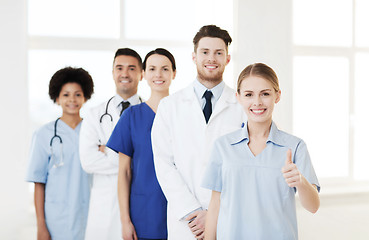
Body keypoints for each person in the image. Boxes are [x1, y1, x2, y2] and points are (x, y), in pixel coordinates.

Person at [202, 63, 321, 240]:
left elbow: (313, 206)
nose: (257, 102)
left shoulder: (295, 147)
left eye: (265, 94)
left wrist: (301, 181)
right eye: (249, 95)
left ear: (277, 95)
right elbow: (215, 205)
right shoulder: (223, 146)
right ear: (238, 97)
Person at [151, 25, 246, 240]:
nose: (211, 58)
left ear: (227, 59)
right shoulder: (170, 106)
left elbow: (245, 166)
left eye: (218, 53)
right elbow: (164, 164)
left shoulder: (242, 106)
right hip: (187, 223)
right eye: (205, 52)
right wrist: (193, 212)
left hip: (227, 217)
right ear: (194, 56)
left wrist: (214, 213)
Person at [107, 48, 176, 240]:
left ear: (174, 74)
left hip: (179, 209)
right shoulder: (131, 116)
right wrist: (125, 220)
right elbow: (124, 172)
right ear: (144, 74)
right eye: (152, 69)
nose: (158, 74)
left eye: (165, 69)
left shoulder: (183, 115)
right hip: (143, 212)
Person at [79, 48, 143, 240]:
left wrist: (108, 150)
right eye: (119, 68)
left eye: (132, 68)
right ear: (113, 73)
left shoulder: (152, 114)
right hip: (105, 206)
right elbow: (88, 161)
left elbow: (156, 162)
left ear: (142, 73)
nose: (124, 73)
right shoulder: (94, 114)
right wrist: (133, 158)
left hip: (139, 202)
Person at [26, 67, 94, 240]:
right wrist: (41, 225)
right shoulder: (44, 134)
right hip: (56, 219)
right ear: (57, 98)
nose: (72, 99)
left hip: (89, 214)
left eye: (78, 94)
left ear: (85, 97)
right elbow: (39, 182)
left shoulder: (93, 132)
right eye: (66, 95)